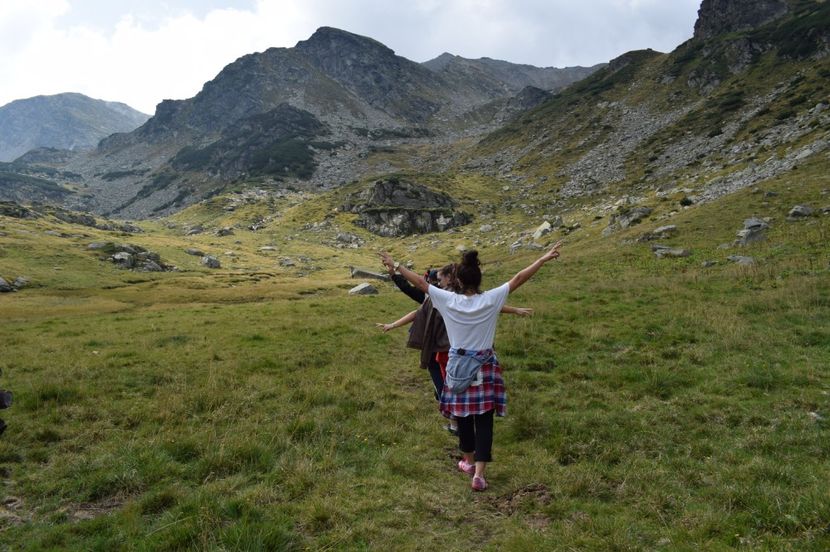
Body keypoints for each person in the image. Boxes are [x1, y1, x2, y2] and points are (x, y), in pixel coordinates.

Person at [383, 242, 561, 491]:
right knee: (485, 420)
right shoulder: (491, 299)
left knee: (464, 417)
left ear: (459, 279)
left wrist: (397, 265)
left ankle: (467, 461)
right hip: (486, 366)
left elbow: (421, 284)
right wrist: (542, 259)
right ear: (478, 279)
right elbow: (519, 277)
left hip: (458, 365)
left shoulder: (448, 300)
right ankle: (479, 474)